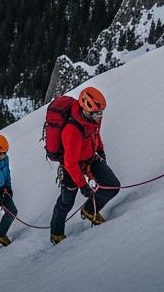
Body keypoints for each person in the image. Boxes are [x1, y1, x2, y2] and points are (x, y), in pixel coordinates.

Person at [50, 87, 120, 244]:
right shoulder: (72, 130)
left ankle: (89, 210)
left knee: (112, 186)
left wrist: (100, 150)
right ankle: (56, 233)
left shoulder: (93, 119)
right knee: (66, 202)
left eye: (101, 113)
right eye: (97, 113)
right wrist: (82, 185)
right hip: (71, 168)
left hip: (90, 158)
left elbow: (95, 134)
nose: (100, 116)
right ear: (87, 110)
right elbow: (70, 163)